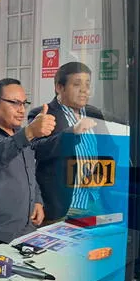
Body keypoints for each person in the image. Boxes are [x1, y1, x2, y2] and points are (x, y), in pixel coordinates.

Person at [0, 78, 55, 250]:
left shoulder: (20, 135)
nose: (21, 110)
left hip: (26, 230)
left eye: (24, 103)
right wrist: (29, 132)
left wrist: (37, 200)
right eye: (14, 103)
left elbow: (30, 170)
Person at [27, 62, 106, 223]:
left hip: (94, 199)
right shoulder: (43, 113)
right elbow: (36, 150)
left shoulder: (94, 113)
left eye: (87, 84)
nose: (84, 90)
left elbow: (109, 149)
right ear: (59, 87)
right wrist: (71, 133)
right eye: (77, 84)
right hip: (62, 204)